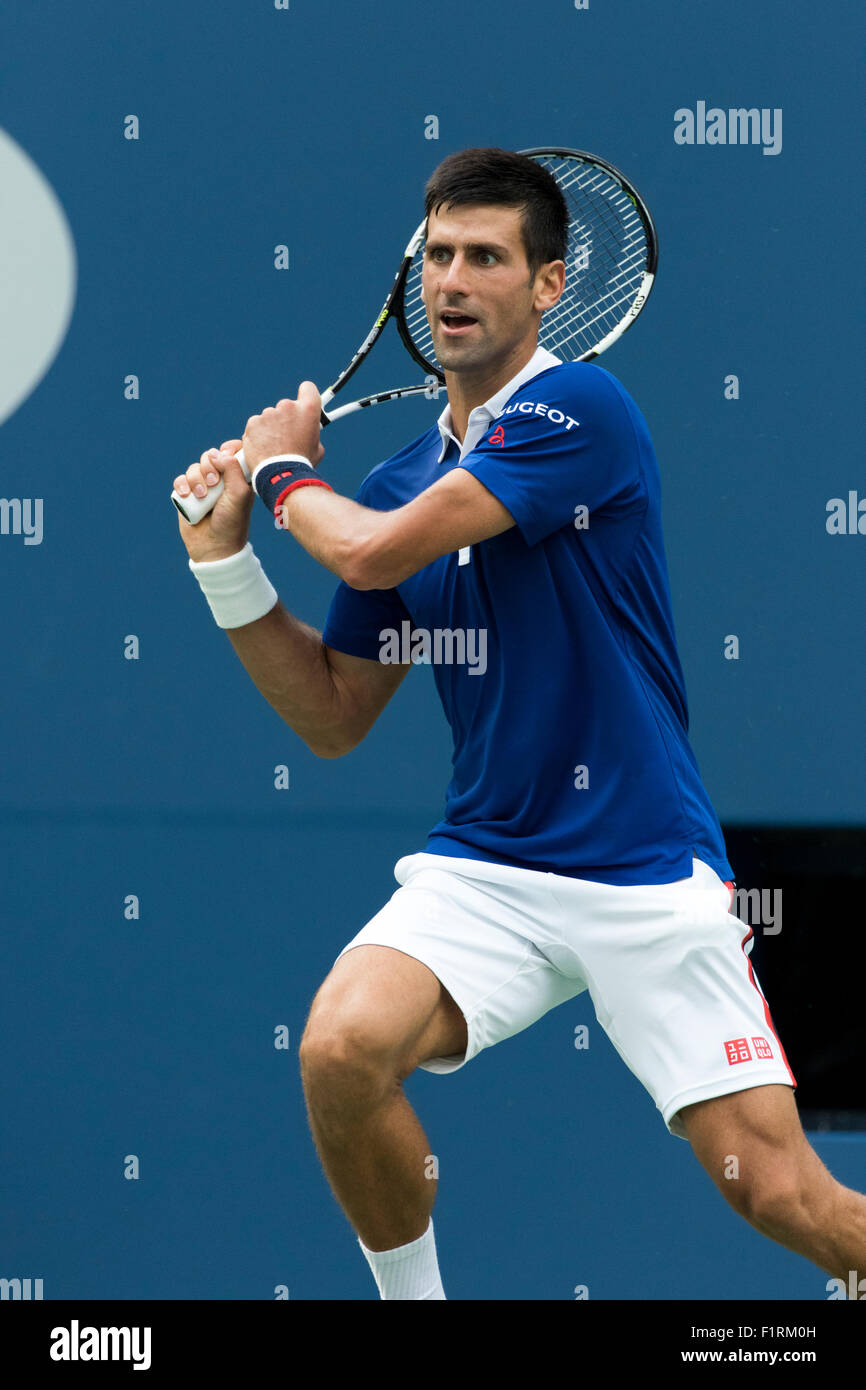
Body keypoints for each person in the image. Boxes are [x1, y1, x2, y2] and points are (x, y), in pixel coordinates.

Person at [173, 147, 866, 1300]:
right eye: (438, 254)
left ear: (549, 287)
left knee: (776, 1194)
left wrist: (285, 472)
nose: (453, 279)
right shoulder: (391, 476)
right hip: (488, 864)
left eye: (486, 257)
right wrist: (227, 566)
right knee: (342, 1049)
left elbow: (374, 548)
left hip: (640, 866)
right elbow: (336, 711)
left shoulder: (575, 406)